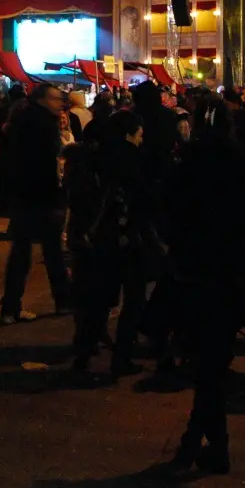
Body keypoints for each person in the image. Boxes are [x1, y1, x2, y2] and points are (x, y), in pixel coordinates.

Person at [165, 100, 245, 474]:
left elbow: (170, 218)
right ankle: (206, 444)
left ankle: (198, 444)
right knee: (213, 364)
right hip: (232, 279)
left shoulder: (186, 168)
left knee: (206, 366)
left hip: (193, 276)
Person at [68, 109, 156, 381]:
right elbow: (144, 202)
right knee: (133, 301)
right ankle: (122, 358)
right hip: (127, 239)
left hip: (101, 240)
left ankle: (83, 355)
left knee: (100, 300)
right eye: (140, 133)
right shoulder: (134, 161)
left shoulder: (96, 158)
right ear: (131, 133)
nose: (142, 138)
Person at [0, 84, 73, 324]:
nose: (59, 102)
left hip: (23, 194)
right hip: (43, 195)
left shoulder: (20, 121)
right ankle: (63, 301)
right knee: (52, 252)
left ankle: (10, 308)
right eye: (55, 98)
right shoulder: (44, 123)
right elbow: (49, 161)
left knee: (22, 253)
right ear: (42, 99)